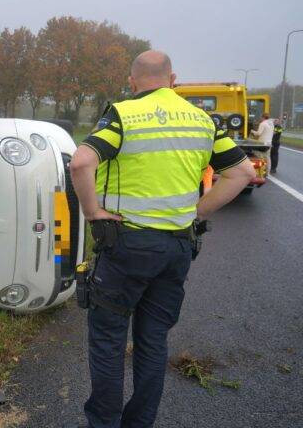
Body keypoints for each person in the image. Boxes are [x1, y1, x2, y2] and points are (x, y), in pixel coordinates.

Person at [69, 50, 255, 428]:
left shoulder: (123, 114)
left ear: (132, 82)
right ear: (173, 80)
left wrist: (92, 212)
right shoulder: (203, 120)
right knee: (153, 341)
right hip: (177, 248)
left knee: (108, 340)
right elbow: (242, 173)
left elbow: (81, 162)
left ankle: (103, 423)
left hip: (126, 245)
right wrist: (197, 213)